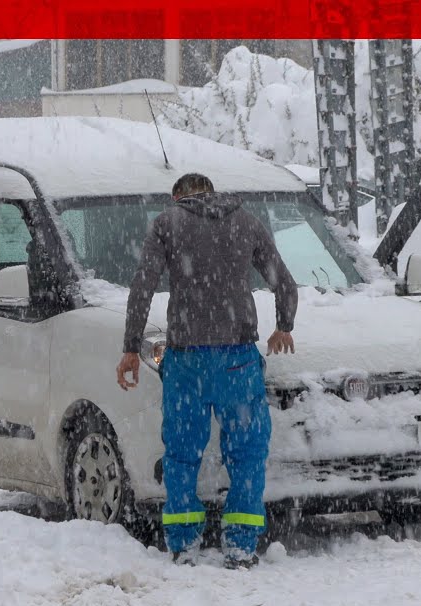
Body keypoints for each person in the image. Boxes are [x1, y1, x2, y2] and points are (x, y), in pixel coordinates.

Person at [116, 173, 298, 569]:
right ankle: (241, 545)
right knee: (248, 454)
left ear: (177, 196)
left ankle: (184, 543)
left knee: (182, 454)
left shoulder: (168, 222)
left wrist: (131, 348)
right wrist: (284, 324)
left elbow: (142, 286)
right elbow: (283, 281)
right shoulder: (245, 221)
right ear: (211, 191)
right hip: (238, 359)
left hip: (186, 361)